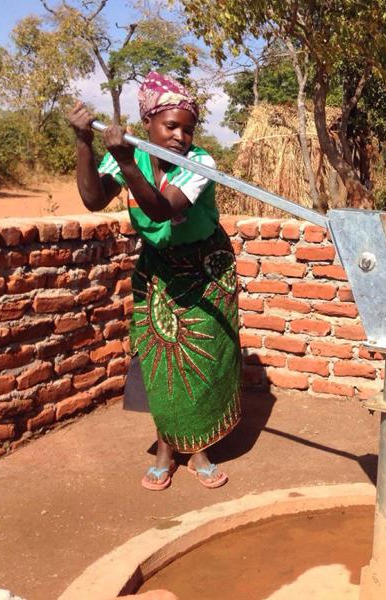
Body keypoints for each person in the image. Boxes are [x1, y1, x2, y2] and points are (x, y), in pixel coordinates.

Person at [67, 71, 241, 490]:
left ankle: (199, 448)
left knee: (203, 360)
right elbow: (93, 199)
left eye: (188, 128)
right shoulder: (128, 157)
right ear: (148, 124)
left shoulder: (200, 163)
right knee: (159, 357)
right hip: (159, 264)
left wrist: (128, 164)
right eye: (171, 126)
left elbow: (163, 209)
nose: (181, 136)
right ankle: (166, 446)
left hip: (206, 267)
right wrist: (84, 143)